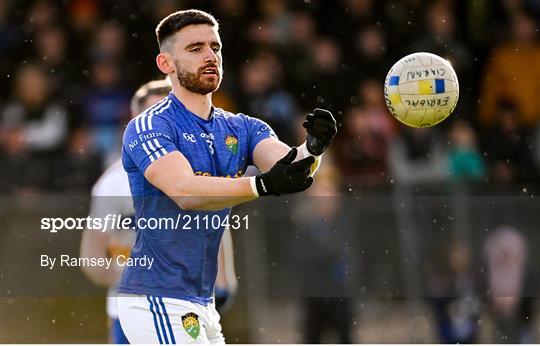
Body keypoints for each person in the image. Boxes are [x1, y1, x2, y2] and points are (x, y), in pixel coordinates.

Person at [117, 9, 336, 344]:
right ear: (166, 64)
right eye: (195, 49)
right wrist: (261, 185)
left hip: (201, 302)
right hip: (156, 297)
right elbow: (185, 191)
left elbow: (290, 171)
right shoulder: (149, 125)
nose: (210, 56)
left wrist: (313, 149)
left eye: (214, 47)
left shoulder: (242, 127)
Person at [81, 79, 238, 343]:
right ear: (135, 122)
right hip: (135, 310)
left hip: (192, 306)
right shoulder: (114, 183)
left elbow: (216, 229)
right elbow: (91, 258)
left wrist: (223, 283)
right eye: (152, 116)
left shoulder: (201, 170)